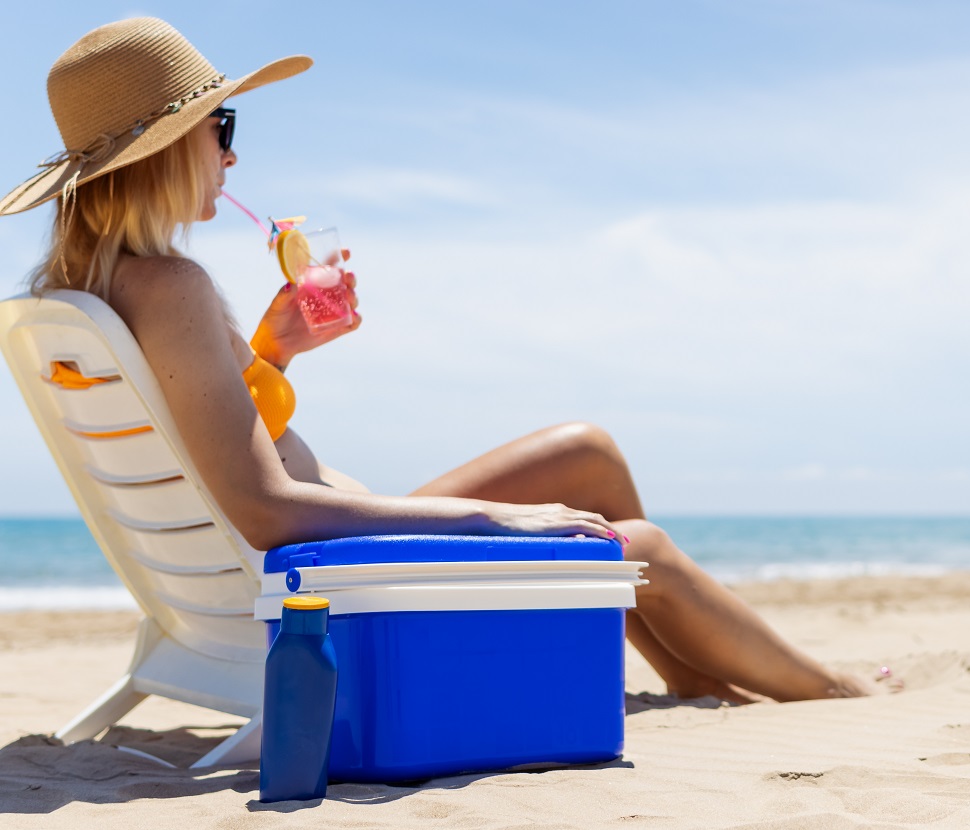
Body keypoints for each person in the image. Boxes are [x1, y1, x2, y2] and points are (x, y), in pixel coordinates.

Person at [1, 18, 866, 702]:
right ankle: (833, 689)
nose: (232, 153)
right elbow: (262, 508)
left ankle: (686, 673)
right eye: (220, 126)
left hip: (337, 541)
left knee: (585, 451)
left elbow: (211, 450)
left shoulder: (98, 287)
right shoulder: (175, 287)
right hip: (350, 577)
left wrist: (271, 352)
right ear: (162, 148)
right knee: (632, 543)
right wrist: (493, 522)